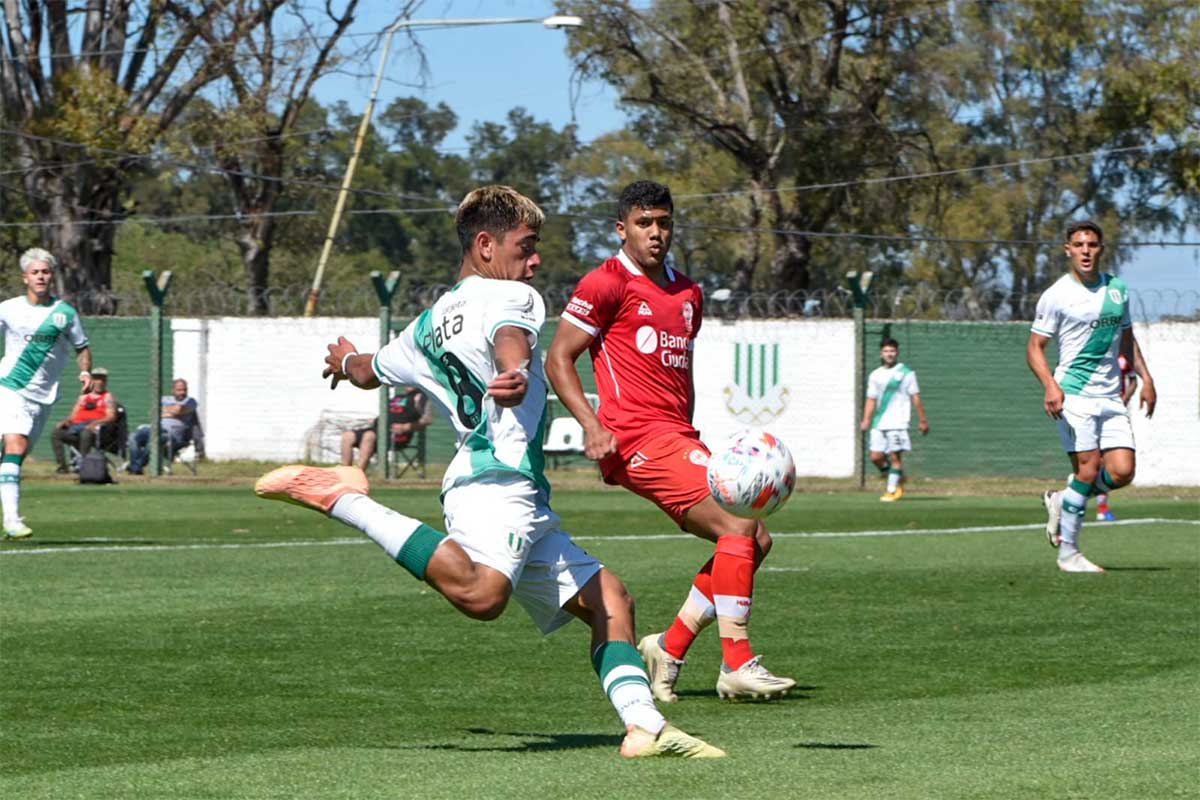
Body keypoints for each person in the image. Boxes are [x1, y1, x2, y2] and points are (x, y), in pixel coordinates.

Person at [255, 185, 723, 759]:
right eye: (526, 247)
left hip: (506, 486)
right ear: (485, 245)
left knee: (610, 600)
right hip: (496, 481)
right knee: (482, 595)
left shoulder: (427, 324)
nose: (535, 261)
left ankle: (644, 727)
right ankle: (344, 499)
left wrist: (343, 360)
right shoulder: (514, 295)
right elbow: (512, 339)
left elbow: (368, 369)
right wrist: (514, 370)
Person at [545, 180, 795, 704]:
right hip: (635, 438)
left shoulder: (687, 292)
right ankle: (736, 661)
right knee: (739, 525)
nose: (656, 233)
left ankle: (668, 646)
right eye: (644, 223)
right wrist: (593, 425)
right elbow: (558, 357)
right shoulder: (605, 283)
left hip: (677, 434)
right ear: (622, 229)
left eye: (663, 223)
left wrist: (690, 433)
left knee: (756, 541)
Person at [1027, 220, 1157, 573]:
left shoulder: (1117, 290)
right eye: (1079, 244)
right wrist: (1051, 386)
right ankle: (1068, 554)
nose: (1086, 250)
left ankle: (1063, 499)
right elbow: (1035, 348)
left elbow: (1126, 338)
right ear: (1068, 249)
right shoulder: (1057, 294)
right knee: (1088, 470)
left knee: (1123, 471)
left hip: (1110, 396)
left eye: (1092, 244)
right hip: (1074, 394)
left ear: (1101, 249)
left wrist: (1145, 378)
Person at [0, 248, 94, 539]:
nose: (41, 276)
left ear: (52, 276)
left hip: (43, 396)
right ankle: (13, 520)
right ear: (25, 277)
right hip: (10, 386)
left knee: (13, 455)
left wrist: (85, 371)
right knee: (15, 445)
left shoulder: (63, 313)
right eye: (35, 272)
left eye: (45, 272)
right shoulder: (8, 309)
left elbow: (82, 347)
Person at [859, 338, 930, 502]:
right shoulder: (875, 375)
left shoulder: (906, 373)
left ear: (897, 352)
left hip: (898, 422)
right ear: (881, 353)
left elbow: (916, 397)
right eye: (886, 351)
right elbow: (871, 399)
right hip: (879, 422)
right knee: (875, 457)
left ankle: (892, 490)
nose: (889, 354)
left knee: (895, 458)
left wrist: (923, 420)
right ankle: (897, 476)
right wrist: (866, 420)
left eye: (892, 351)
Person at [339, 386, 433, 471]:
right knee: (348, 436)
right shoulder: (397, 397)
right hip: (378, 430)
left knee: (369, 436)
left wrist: (405, 427)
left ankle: (358, 474)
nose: (407, 384)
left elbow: (427, 420)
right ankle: (346, 473)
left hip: (397, 435)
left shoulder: (420, 398)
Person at [1095, 353, 1139, 521]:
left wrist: (1125, 398)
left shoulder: (1123, 358)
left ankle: (1102, 507)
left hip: (1115, 416)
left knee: (1113, 464)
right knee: (1094, 463)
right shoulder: (1097, 353)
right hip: (1094, 412)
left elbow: (1134, 380)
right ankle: (1075, 499)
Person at [128, 378, 204, 474]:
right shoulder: (164, 399)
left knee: (155, 440)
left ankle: (136, 467)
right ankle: (136, 466)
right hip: (155, 429)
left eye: (184, 389)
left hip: (173, 437)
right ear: (173, 390)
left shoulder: (191, 401)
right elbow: (152, 413)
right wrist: (172, 413)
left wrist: (165, 411)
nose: (182, 392)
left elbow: (179, 410)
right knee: (133, 437)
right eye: (179, 390)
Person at [50, 366, 118, 472]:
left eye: (102, 379)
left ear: (105, 381)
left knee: (86, 432)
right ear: (91, 380)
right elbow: (73, 416)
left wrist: (95, 423)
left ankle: (84, 466)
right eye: (96, 379)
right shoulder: (83, 397)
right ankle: (62, 466)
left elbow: (111, 416)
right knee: (56, 433)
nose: (99, 382)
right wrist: (66, 421)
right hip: (76, 430)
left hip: (96, 433)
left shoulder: (108, 397)